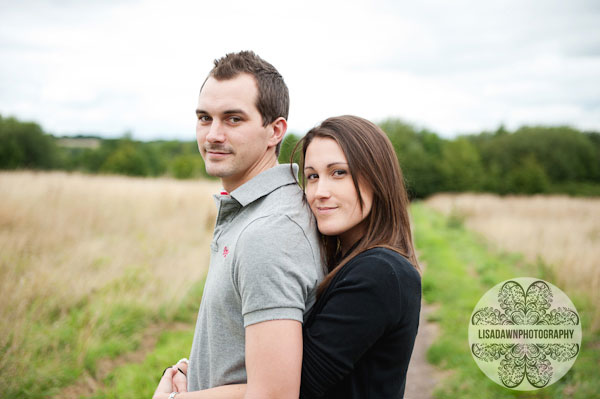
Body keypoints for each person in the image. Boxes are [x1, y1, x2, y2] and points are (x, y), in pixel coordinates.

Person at [153, 51, 324, 399]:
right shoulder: (257, 212)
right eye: (204, 118)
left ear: (275, 131)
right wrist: (196, 372)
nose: (213, 134)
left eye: (233, 119)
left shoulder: (269, 232)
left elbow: (274, 394)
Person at [296, 115, 422, 398]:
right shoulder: (353, 262)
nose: (319, 193)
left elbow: (292, 387)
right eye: (312, 176)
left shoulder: (378, 273)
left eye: (339, 172)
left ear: (378, 178)